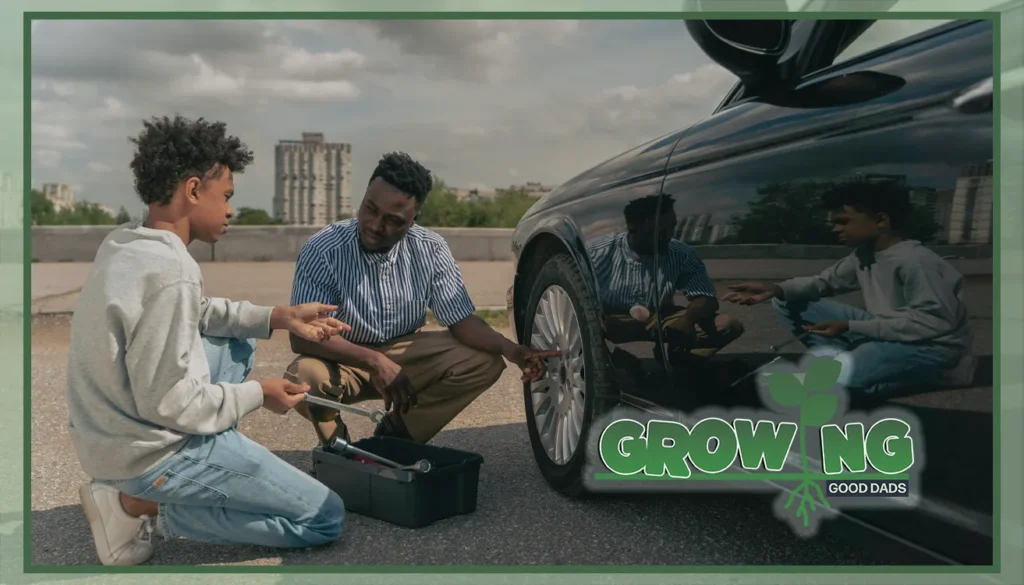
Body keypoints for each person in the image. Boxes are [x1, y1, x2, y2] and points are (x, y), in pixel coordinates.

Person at [68, 115, 350, 566]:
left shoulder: (126, 241)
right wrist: (260, 393)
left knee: (238, 341)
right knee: (324, 517)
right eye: (227, 197)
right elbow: (171, 402)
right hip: (144, 458)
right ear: (193, 190)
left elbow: (196, 313)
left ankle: (201, 470)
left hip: (106, 437)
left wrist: (280, 316)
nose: (231, 210)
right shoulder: (172, 271)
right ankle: (137, 507)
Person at [285, 151, 559, 447]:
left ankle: (395, 438)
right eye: (370, 209)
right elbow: (301, 337)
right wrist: (375, 361)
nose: (376, 225)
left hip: (408, 356)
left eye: (393, 220)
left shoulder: (431, 248)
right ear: (364, 196)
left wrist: (511, 349)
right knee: (304, 377)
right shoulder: (323, 248)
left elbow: (461, 321)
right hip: (343, 359)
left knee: (483, 362)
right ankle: (335, 450)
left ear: (414, 218)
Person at [722, 180, 976, 397]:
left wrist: (852, 327)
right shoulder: (863, 254)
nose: (836, 229)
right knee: (788, 300)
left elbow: (934, 325)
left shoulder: (916, 261)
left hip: (931, 345)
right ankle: (854, 366)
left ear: (880, 220)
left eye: (843, 221)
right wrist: (775, 288)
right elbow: (824, 283)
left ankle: (944, 373)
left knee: (830, 388)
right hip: (886, 330)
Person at [590, 194, 744, 366]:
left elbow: (706, 298)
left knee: (727, 325)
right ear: (632, 227)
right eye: (658, 231)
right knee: (587, 324)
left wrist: (687, 319)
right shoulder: (596, 253)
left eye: (671, 227)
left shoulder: (682, 253)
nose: (668, 236)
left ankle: (680, 360)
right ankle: (610, 364)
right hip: (610, 320)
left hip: (660, 317)